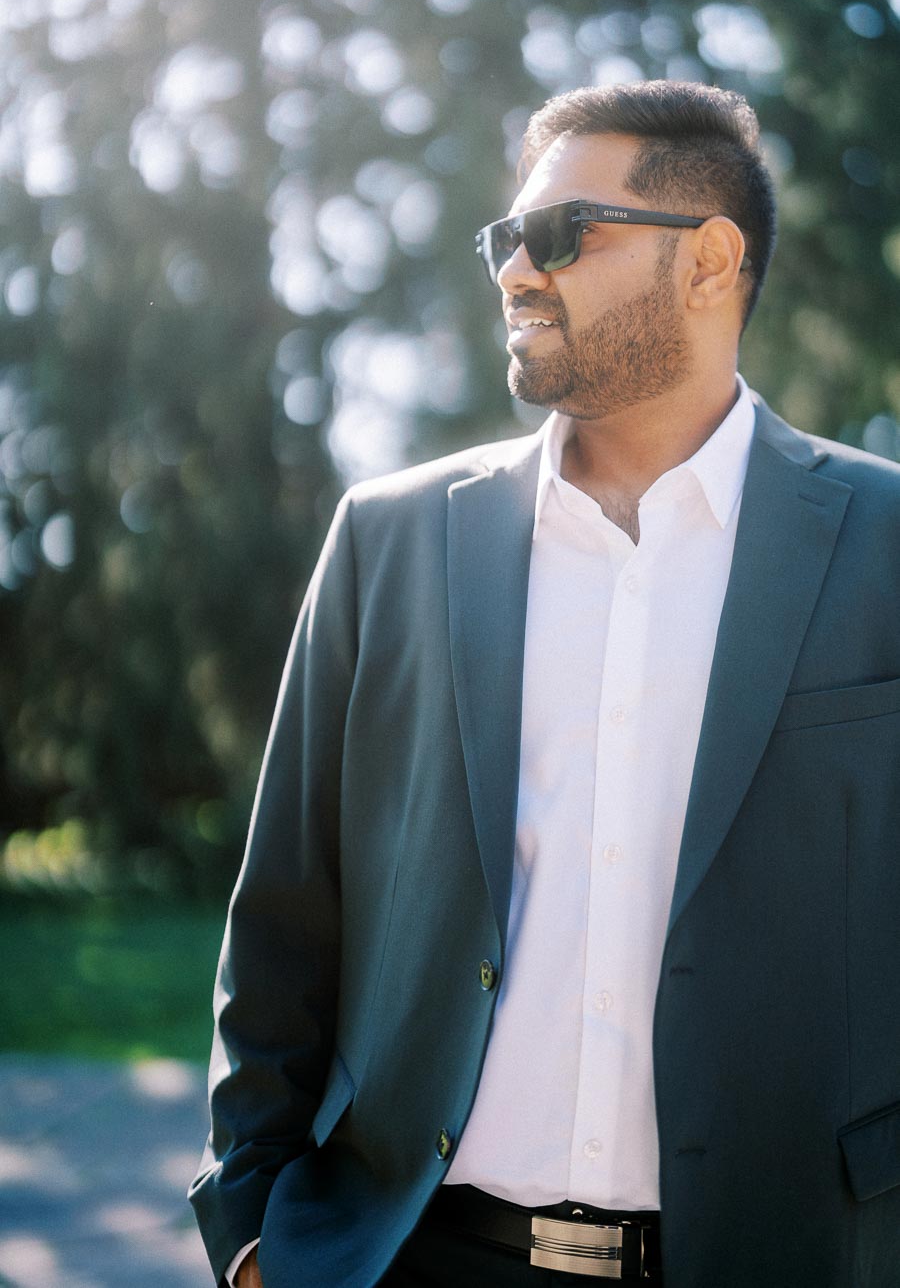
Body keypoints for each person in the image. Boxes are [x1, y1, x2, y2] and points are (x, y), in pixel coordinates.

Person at [189, 81, 900, 1288]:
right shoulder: (392, 540)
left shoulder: (885, 545)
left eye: (563, 233)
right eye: (503, 239)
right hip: (419, 1257)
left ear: (711, 262)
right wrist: (254, 1237)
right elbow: (284, 923)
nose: (517, 269)